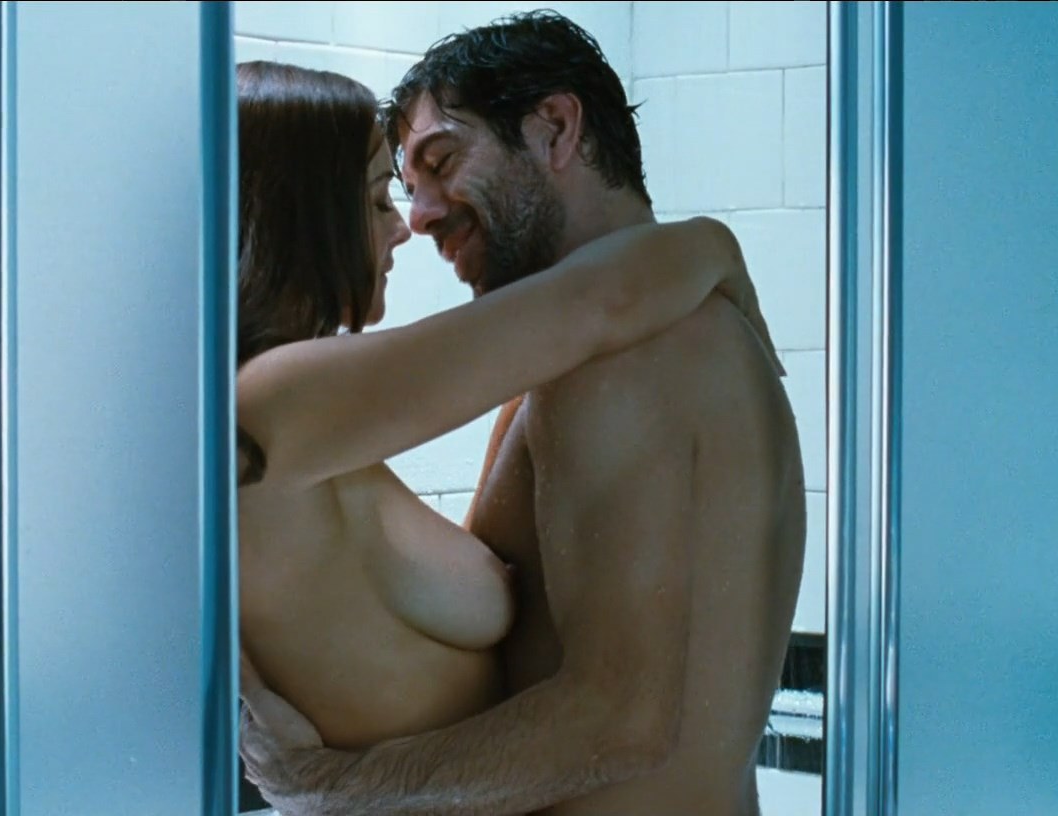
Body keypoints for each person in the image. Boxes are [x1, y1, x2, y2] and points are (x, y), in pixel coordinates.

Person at [239, 12, 807, 816]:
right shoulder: (582, 362)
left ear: (555, 129)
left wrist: (335, 789)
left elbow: (618, 720)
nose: (417, 217)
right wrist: (709, 245)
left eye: (442, 161)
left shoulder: (634, 357)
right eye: (391, 192)